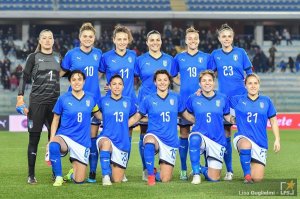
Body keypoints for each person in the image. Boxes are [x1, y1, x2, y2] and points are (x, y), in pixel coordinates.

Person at [16, 29, 61, 184]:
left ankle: (56, 174)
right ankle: (31, 175)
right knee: (34, 139)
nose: (47, 40)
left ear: (53, 41)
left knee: (54, 140)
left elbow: (68, 74)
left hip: (55, 104)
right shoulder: (33, 57)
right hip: (37, 103)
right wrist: (20, 97)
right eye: (44, 38)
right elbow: (24, 77)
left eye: (50, 38)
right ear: (40, 41)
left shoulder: (58, 57)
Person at [209, 23, 253, 181]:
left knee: (246, 134)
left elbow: (249, 72)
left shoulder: (240, 53)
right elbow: (209, 74)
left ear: (232, 38)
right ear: (219, 38)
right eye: (223, 36)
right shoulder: (215, 54)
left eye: (229, 36)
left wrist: (251, 87)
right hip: (224, 99)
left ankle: (247, 171)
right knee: (226, 133)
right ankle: (230, 171)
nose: (226, 39)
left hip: (241, 99)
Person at [61, 22, 102, 183]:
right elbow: (62, 72)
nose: (87, 39)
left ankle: (92, 171)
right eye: (84, 36)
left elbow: (100, 72)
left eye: (90, 36)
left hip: (93, 102)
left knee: (92, 136)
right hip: (74, 101)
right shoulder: (71, 54)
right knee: (74, 136)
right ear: (79, 38)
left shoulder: (99, 54)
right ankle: (76, 167)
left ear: (94, 38)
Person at [129, 70, 184, 186]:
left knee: (165, 179)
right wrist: (120, 126)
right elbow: (136, 117)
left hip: (170, 140)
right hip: (154, 136)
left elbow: (186, 115)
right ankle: (150, 176)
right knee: (149, 141)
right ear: (155, 82)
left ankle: (156, 173)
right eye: (159, 80)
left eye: (165, 80)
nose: (162, 82)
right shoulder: (148, 99)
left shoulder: (176, 98)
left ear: (169, 82)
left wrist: (199, 120)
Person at [49, 70, 101, 186]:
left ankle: (72, 174)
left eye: (79, 79)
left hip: (82, 142)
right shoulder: (63, 99)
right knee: (54, 145)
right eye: (73, 80)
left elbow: (98, 115)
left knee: (79, 181)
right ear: (70, 82)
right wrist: (51, 138)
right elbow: (55, 119)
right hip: (65, 136)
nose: (76, 82)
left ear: (84, 81)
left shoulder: (91, 99)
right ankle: (58, 177)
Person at [181, 70, 234, 184]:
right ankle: (196, 174)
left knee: (214, 179)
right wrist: (195, 120)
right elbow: (186, 113)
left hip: (217, 140)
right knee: (194, 138)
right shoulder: (193, 98)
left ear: (214, 82)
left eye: (210, 80)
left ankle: (200, 168)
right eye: (204, 81)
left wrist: (236, 120)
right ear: (200, 84)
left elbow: (227, 116)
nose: (207, 83)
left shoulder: (222, 98)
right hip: (200, 136)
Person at [99, 25, 137, 182]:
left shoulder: (134, 56)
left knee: (127, 136)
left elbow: (145, 76)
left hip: (129, 101)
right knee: (109, 134)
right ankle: (99, 171)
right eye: (119, 39)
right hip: (111, 102)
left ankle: (122, 169)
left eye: (125, 39)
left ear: (128, 41)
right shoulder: (106, 57)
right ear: (114, 40)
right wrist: (103, 87)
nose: (122, 42)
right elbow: (98, 75)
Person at [171, 26, 210, 180]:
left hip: (203, 100)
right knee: (184, 133)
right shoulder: (179, 58)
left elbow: (211, 76)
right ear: (186, 41)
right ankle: (183, 168)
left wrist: (205, 88)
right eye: (190, 39)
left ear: (198, 40)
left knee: (205, 134)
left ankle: (206, 166)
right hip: (185, 100)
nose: (192, 41)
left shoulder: (206, 57)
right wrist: (183, 84)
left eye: (195, 38)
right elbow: (173, 75)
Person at [134, 30, 174, 181]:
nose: (155, 42)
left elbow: (175, 78)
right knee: (144, 134)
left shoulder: (169, 59)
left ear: (161, 42)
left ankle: (163, 162)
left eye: (158, 39)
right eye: (152, 40)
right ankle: (146, 169)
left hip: (164, 103)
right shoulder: (140, 60)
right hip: (145, 101)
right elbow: (132, 78)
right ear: (147, 42)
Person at [230, 73, 280, 183]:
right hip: (243, 138)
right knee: (245, 144)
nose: (253, 86)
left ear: (259, 85)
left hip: (260, 142)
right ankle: (247, 176)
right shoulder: (237, 100)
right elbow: (219, 101)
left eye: (255, 83)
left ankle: (250, 168)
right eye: (250, 83)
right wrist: (231, 118)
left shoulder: (266, 101)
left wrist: (277, 139)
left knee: (257, 179)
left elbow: (273, 121)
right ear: (245, 86)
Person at [96, 74, 137, 186]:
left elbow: (136, 116)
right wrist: (105, 119)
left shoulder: (129, 102)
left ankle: (115, 170)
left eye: (120, 84)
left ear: (123, 86)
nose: (117, 87)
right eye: (114, 84)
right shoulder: (103, 101)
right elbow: (96, 113)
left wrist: (125, 124)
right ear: (109, 86)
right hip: (106, 136)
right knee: (105, 143)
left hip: (122, 142)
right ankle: (105, 176)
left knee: (117, 180)